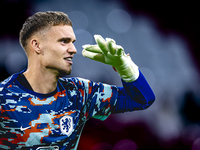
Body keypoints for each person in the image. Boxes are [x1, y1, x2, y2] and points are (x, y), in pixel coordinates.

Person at [0, 11, 155, 150]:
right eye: (63, 41)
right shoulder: (4, 97)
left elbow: (142, 100)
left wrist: (126, 68)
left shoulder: (80, 91)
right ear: (37, 45)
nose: (73, 49)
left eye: (72, 42)